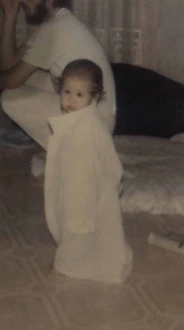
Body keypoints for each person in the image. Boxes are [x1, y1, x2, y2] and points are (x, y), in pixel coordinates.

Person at [0, 0, 116, 171]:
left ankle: (75, 159)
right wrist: (10, 15)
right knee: (16, 77)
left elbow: (12, 80)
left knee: (10, 97)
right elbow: (8, 66)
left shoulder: (56, 29)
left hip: (96, 122)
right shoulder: (53, 23)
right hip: (88, 108)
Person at [45, 59, 133, 283]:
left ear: (94, 97)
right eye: (67, 92)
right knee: (76, 225)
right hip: (75, 184)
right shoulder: (76, 120)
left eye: (79, 95)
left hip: (86, 189)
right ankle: (79, 259)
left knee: (79, 227)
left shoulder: (89, 127)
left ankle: (66, 265)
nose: (70, 100)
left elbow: (103, 160)